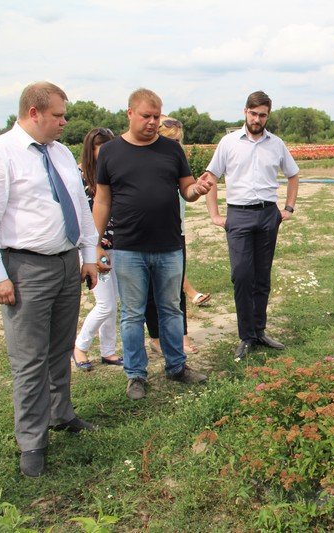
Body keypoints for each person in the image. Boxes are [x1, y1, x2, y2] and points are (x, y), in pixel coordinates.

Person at [0, 81, 100, 477]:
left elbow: (79, 206)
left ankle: (61, 414)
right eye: (58, 115)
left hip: (66, 264)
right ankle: (32, 442)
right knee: (29, 360)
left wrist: (88, 256)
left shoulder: (60, 153)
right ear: (34, 113)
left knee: (59, 349)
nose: (64, 122)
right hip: (25, 268)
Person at [92, 88, 212, 400]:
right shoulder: (111, 152)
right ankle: (135, 375)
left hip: (169, 246)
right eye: (146, 116)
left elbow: (187, 189)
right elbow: (102, 201)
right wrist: (96, 244)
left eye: (156, 116)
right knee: (132, 314)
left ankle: (177, 366)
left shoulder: (171, 150)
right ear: (130, 113)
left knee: (171, 309)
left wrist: (198, 189)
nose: (152, 122)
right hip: (128, 249)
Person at [201, 91, 300, 361]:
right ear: (245, 111)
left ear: (268, 116)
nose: (257, 119)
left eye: (262, 115)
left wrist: (288, 208)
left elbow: (293, 175)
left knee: (262, 276)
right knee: (242, 275)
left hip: (268, 214)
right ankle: (246, 336)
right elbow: (210, 177)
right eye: (253, 113)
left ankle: (259, 331)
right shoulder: (229, 142)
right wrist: (214, 214)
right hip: (239, 215)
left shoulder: (276, 144)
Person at [145, 116, 205, 355]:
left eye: (179, 140)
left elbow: (188, 192)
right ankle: (156, 338)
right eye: (171, 139)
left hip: (175, 232)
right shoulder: (146, 159)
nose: (176, 144)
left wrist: (197, 189)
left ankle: (182, 335)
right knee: (150, 291)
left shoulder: (178, 161)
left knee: (176, 288)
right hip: (146, 234)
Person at [73, 128, 123, 370]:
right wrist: (93, 247)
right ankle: (79, 347)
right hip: (93, 248)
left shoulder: (111, 172)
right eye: (100, 150)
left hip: (116, 244)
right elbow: (81, 216)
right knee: (105, 304)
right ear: (90, 151)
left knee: (114, 301)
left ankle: (108, 351)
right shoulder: (78, 176)